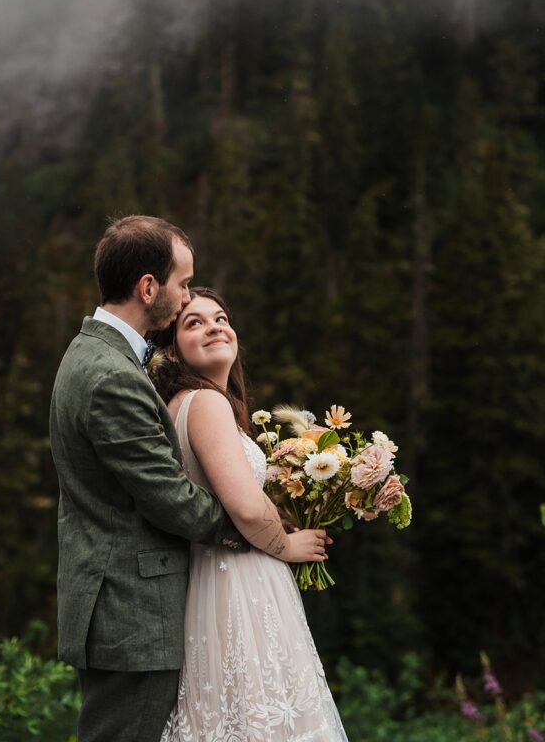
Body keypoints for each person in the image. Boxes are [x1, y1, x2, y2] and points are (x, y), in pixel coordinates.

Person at [49, 216, 330, 742]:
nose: (184, 299)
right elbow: (170, 498)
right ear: (148, 287)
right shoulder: (111, 375)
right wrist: (269, 539)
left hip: (137, 604)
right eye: (182, 286)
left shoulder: (101, 359)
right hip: (131, 610)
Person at [151, 286, 349, 742]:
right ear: (172, 349)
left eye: (220, 318)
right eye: (194, 322)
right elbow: (240, 504)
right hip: (237, 581)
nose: (215, 326)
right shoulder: (206, 403)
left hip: (216, 576)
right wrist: (285, 543)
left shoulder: (187, 405)